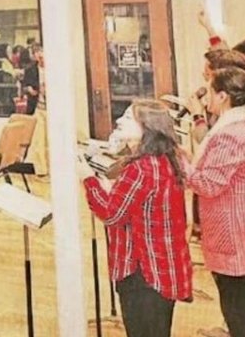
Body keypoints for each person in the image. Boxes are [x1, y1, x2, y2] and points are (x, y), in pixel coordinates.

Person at [82, 100, 192, 337]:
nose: (119, 121)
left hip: (142, 270)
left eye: (127, 118)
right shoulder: (168, 159)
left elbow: (111, 214)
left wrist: (88, 180)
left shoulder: (140, 168)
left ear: (147, 127)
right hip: (163, 266)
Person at [184, 68, 245, 336]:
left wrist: (180, 164)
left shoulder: (230, 134)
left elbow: (208, 184)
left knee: (241, 316)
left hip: (236, 236)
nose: (205, 97)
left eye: (209, 91)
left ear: (223, 96)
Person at [22, 44, 44, 114]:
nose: (40, 54)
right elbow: (24, 87)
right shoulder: (29, 70)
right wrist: (29, 89)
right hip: (35, 106)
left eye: (41, 51)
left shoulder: (55, 69)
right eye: (36, 52)